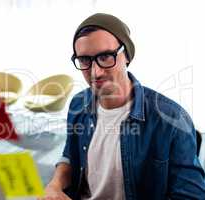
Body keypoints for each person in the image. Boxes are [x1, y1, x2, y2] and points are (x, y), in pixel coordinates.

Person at [38, 13, 205, 200]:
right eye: (85, 60)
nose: (95, 72)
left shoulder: (172, 120)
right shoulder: (78, 104)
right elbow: (70, 154)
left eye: (106, 57)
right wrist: (54, 185)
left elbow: (191, 196)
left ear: (126, 55)